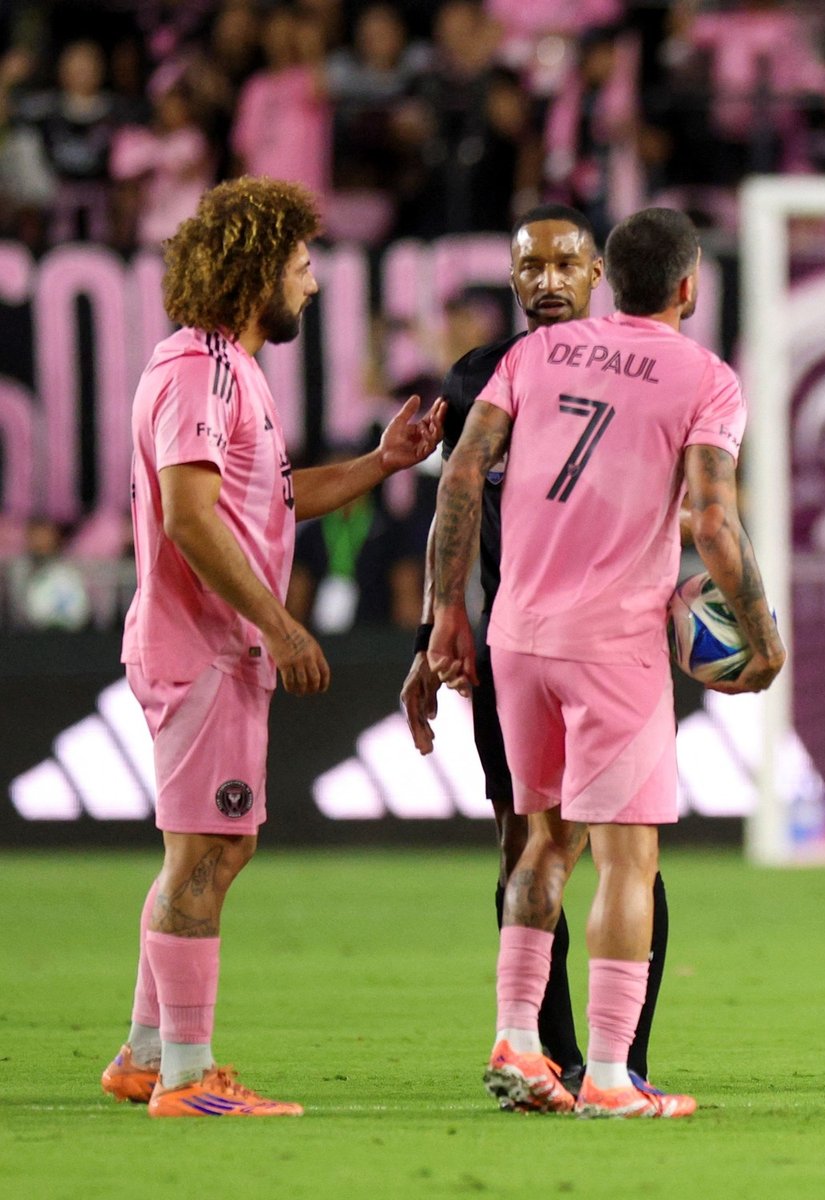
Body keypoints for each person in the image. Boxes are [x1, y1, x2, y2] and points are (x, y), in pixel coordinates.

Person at [429, 207, 785, 1118]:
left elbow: (463, 475)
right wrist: (762, 631)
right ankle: (614, 1078)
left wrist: (445, 612)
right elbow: (711, 517)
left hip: (516, 633)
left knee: (542, 840)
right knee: (629, 859)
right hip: (612, 644)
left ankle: (518, 1037)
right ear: (689, 284)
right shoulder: (706, 378)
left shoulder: (531, 358)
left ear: (607, 278)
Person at [100, 177, 444, 1117]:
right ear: (259, 272)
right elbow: (189, 518)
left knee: (214, 850)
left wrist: (380, 465)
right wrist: (281, 624)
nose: (316, 285)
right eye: (301, 266)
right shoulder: (198, 372)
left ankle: (143, 1054)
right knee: (203, 856)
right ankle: (185, 1077)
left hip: (216, 649)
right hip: (200, 647)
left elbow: (270, 498)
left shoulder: (229, 370)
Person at [400, 203, 673, 1095]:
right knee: (526, 839)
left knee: (621, 846)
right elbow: (452, 514)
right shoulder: (481, 376)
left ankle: (620, 1054)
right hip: (511, 648)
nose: (547, 281)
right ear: (512, 280)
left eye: (566, 264)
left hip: (612, 639)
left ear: (599, 274)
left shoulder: (644, 372)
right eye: (530, 268)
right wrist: (431, 634)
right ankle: (545, 1052)